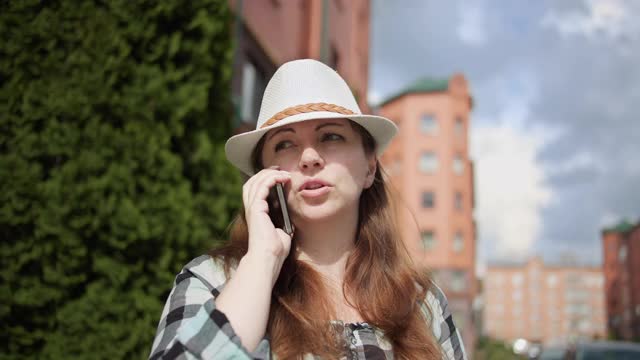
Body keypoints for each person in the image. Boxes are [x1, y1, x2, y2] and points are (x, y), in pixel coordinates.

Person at [149, 59, 467, 359]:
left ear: (370, 167)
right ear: (264, 173)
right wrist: (262, 261)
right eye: (285, 144)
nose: (309, 157)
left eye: (331, 136)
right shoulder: (215, 281)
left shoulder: (422, 302)